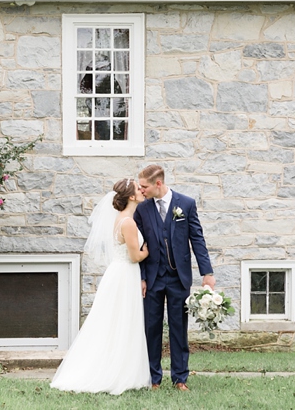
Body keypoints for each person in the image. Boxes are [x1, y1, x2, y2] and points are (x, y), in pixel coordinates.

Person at [50, 179, 151, 395]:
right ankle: (116, 372)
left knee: (113, 321)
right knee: (122, 321)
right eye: (138, 189)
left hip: (118, 273)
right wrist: (147, 251)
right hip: (125, 274)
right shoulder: (129, 223)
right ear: (132, 197)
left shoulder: (121, 219)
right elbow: (134, 256)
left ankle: (118, 367)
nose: (142, 191)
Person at [134, 165, 215, 391]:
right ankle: (154, 379)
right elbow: (139, 245)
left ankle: (180, 378)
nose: (141, 190)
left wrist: (207, 273)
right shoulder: (142, 210)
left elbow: (197, 239)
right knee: (152, 329)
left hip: (179, 278)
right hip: (152, 278)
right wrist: (141, 277)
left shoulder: (186, 204)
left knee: (179, 329)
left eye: (144, 186)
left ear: (158, 184)